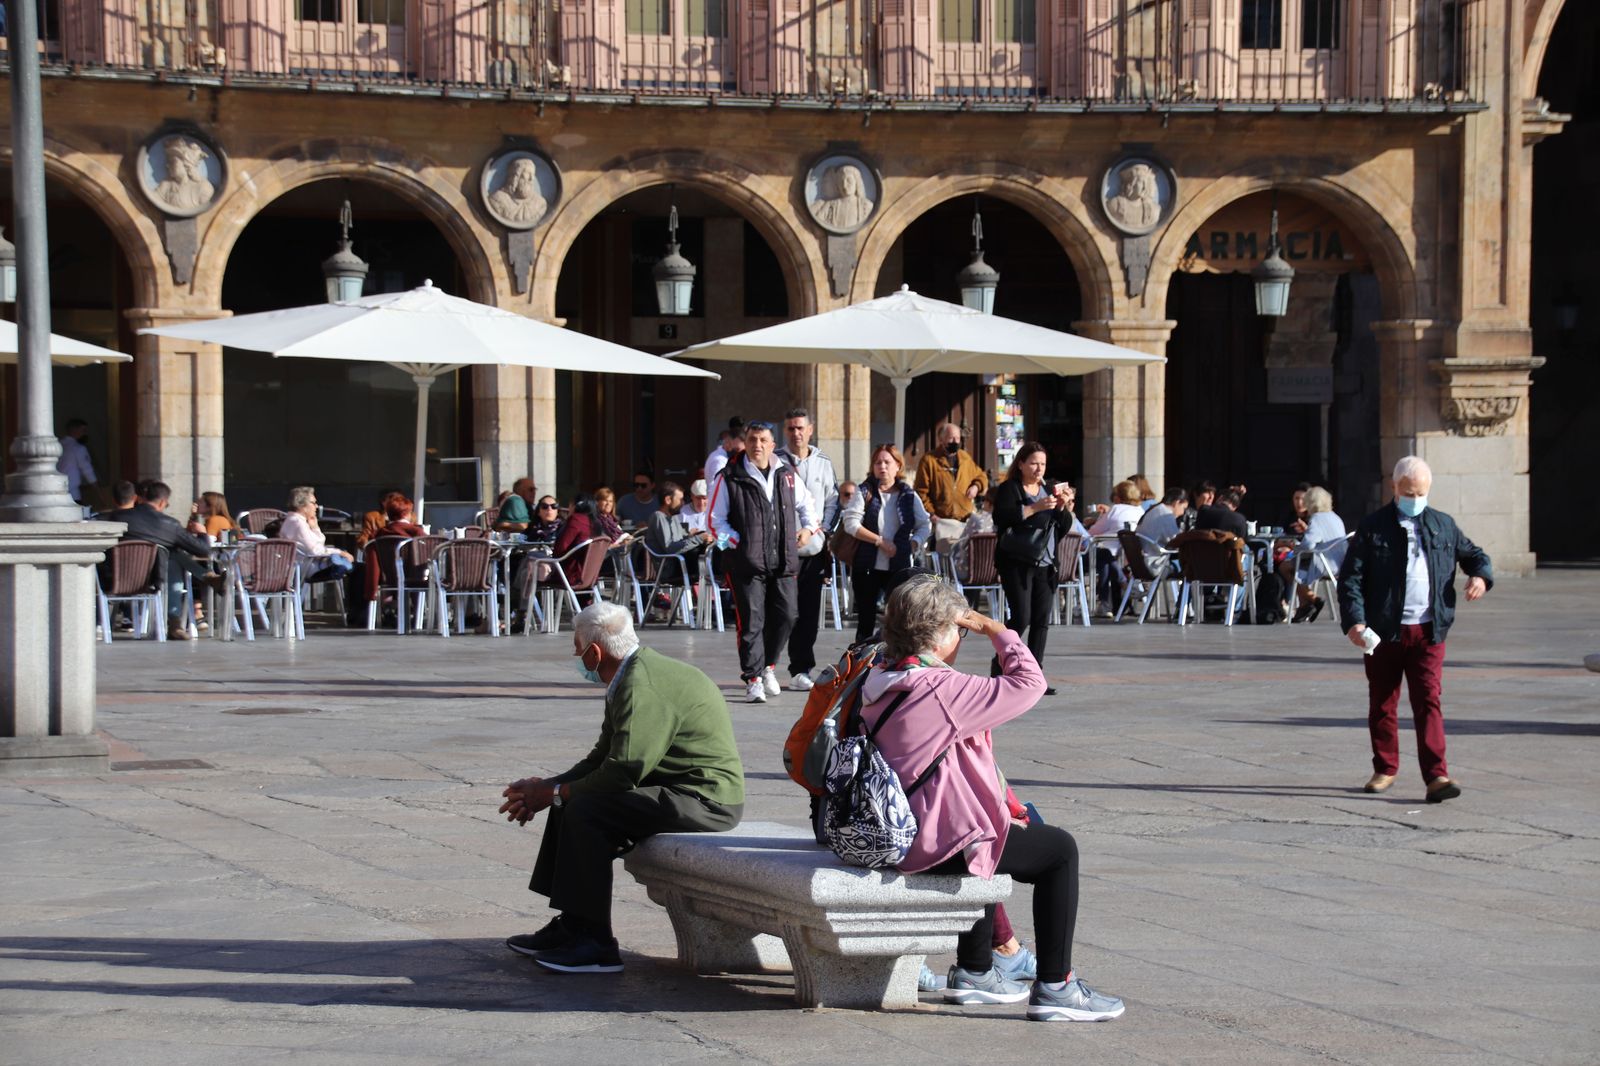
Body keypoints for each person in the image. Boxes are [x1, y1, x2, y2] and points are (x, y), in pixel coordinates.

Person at [856, 577, 1125, 1021]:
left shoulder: (880, 677)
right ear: (942, 633)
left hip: (893, 827)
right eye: (959, 631)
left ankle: (977, 973)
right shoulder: (942, 690)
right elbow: (1030, 682)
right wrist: (995, 629)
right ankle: (1057, 987)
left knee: (984, 824)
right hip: (928, 842)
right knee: (1059, 851)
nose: (962, 639)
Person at [498, 602, 744, 973]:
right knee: (572, 799)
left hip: (705, 800)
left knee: (584, 808)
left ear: (595, 652)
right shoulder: (631, 673)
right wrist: (549, 787)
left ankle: (596, 943)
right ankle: (574, 924)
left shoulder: (642, 683)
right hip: (671, 790)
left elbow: (623, 771)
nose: (576, 656)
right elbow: (601, 757)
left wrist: (553, 794)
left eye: (577, 648)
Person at [1338, 457, 1492, 802]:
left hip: (1428, 630)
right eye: (1409, 492)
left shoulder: (1442, 524)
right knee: (1382, 702)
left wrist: (1481, 576)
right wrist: (1356, 621)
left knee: (1428, 700)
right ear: (1394, 488)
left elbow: (1475, 555)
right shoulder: (1373, 527)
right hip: (1384, 631)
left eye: (1421, 493)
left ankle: (1437, 775)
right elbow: (1351, 578)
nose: (1415, 498)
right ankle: (1385, 767)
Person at [708, 419, 821, 704]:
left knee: (788, 615)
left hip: (783, 559)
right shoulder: (728, 476)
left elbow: (807, 506)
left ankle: (769, 665)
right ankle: (753, 678)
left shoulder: (787, 474)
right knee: (751, 621)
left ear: (772, 445)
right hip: (745, 564)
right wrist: (734, 543)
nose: (757, 445)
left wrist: (808, 530)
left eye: (762, 440)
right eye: (752, 439)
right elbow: (714, 523)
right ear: (744, 443)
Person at [991, 443, 1074, 688]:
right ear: (1021, 464)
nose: (1039, 469)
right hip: (1017, 562)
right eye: (1034, 463)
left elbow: (1062, 527)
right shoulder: (1010, 489)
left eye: (1043, 464)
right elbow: (1001, 519)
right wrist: (1033, 508)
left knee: (1041, 620)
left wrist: (1063, 508)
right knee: (1021, 617)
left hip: (1046, 563)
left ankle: (1034, 676)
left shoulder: (1049, 489)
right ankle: (1000, 662)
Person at [841, 443, 930, 643]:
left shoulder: (908, 494)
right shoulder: (865, 491)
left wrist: (914, 544)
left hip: (898, 566)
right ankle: (861, 662)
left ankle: (894, 659)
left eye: (887, 462)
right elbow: (851, 524)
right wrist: (879, 541)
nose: (882, 466)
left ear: (898, 466)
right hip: (866, 565)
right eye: (878, 462)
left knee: (898, 617)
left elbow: (924, 524)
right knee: (865, 619)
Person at [778, 407, 839, 691]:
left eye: (800, 428)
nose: (796, 433)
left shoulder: (823, 462)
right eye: (791, 428)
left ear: (810, 430)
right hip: (781, 549)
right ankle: (766, 664)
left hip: (813, 551)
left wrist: (822, 530)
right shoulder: (775, 461)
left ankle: (801, 667)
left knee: (809, 612)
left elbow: (833, 501)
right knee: (783, 611)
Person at [117, 480, 226, 640]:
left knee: (171, 556)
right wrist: (202, 533)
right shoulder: (169, 525)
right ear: (162, 502)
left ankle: (176, 622)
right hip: (153, 579)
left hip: (117, 578)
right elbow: (203, 550)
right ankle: (175, 621)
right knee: (171, 556)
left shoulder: (116, 517)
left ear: (139, 499)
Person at [915, 422, 989, 558]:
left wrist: (976, 486)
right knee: (944, 562)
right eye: (951, 438)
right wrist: (931, 513)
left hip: (964, 522)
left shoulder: (965, 458)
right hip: (942, 523)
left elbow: (981, 476)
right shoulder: (929, 460)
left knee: (963, 562)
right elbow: (920, 492)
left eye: (958, 438)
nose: (955, 441)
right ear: (941, 439)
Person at [1284, 486, 1347, 623]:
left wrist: (1294, 549)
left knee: (1285, 567)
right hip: (1339, 562)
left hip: (1324, 563)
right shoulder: (1336, 517)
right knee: (1297, 564)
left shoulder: (1317, 518)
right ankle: (1304, 606)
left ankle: (1313, 600)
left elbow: (1308, 545)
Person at [1088, 480, 1148, 608]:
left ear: (1118, 496)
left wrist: (1096, 519)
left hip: (1111, 552)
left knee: (1104, 556)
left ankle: (1104, 603)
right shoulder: (1140, 511)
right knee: (1105, 559)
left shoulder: (1116, 509)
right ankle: (1123, 584)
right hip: (1132, 557)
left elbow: (1094, 532)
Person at [279, 486, 355, 583]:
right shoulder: (297, 523)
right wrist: (339, 552)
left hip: (308, 565)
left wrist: (315, 528)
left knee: (355, 567)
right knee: (357, 569)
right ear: (302, 505)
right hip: (306, 568)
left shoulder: (296, 521)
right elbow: (314, 550)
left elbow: (319, 544)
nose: (317, 506)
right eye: (313, 503)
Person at [644, 480, 713, 588]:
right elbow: (670, 548)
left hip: (680, 562)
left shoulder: (674, 517)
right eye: (680, 499)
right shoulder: (659, 517)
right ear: (668, 500)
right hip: (669, 568)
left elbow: (682, 538)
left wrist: (695, 535)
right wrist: (699, 539)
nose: (683, 503)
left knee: (713, 551)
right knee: (710, 558)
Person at [950, 486, 997, 583]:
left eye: (984, 500)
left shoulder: (976, 519)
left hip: (969, 572)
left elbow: (961, 545)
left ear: (988, 503)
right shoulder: (1005, 522)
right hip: (996, 573)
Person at [56, 419, 98, 506]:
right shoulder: (78, 448)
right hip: (72, 494)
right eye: (83, 430)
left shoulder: (57, 446)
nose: (84, 434)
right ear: (74, 430)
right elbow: (87, 471)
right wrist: (99, 493)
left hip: (56, 492)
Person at [703, 416, 746, 484]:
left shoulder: (724, 458)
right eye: (737, 449)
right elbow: (716, 485)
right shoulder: (720, 461)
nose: (741, 453)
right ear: (727, 443)